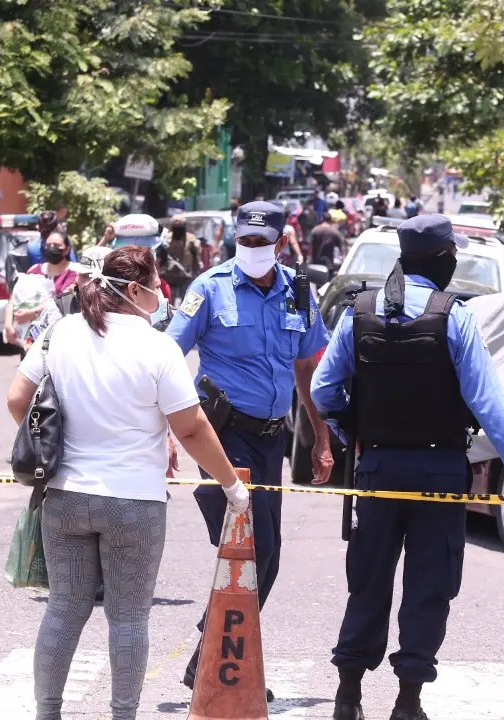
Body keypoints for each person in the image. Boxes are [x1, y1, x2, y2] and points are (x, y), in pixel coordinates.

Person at [311, 215, 504, 720]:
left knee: (368, 581)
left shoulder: (359, 310)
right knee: (429, 586)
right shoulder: (456, 316)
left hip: (377, 470)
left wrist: (355, 438)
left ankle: (348, 697)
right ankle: (407, 703)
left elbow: (323, 391)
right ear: (445, 258)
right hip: (439, 474)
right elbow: (487, 402)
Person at [5, 245, 248, 720]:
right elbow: (192, 427)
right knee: (129, 617)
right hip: (134, 501)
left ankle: (47, 713)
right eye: (156, 286)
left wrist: (52, 442)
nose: (160, 295)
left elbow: (19, 399)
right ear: (134, 289)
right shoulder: (158, 346)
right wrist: (231, 487)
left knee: (64, 610)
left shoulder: (62, 331)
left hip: (66, 496)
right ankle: (122, 715)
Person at [166, 200, 333, 699]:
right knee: (253, 551)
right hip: (224, 435)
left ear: (281, 241)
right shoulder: (210, 288)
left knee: (268, 555)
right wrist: (166, 434)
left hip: (272, 439)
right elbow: (168, 356)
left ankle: (210, 656)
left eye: (263, 242)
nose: (254, 250)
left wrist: (320, 438)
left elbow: (307, 370)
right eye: (247, 242)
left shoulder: (299, 292)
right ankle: (212, 659)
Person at [4, 232, 76, 349]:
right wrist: (8, 326)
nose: (52, 248)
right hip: (30, 339)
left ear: (67, 250)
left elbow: (62, 300)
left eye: (57, 246)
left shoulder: (74, 272)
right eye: (49, 245)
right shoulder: (34, 270)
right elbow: (14, 298)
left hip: (60, 339)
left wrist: (32, 313)